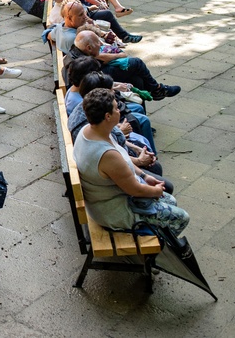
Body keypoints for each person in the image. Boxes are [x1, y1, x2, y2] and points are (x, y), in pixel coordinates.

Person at [73, 88, 188, 236]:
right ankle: (161, 250)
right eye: (116, 108)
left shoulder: (90, 130)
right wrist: (156, 191)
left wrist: (145, 176)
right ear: (107, 116)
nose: (119, 110)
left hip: (106, 200)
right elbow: (135, 190)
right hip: (116, 212)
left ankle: (161, 238)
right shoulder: (106, 155)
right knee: (182, 217)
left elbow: (123, 161)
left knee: (170, 200)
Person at [68, 30, 180, 100]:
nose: (101, 44)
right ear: (88, 48)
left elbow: (98, 58)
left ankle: (142, 120)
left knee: (136, 80)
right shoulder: (84, 62)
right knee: (136, 63)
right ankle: (157, 88)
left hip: (95, 77)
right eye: (98, 42)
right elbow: (95, 80)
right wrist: (115, 85)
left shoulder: (79, 50)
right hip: (95, 83)